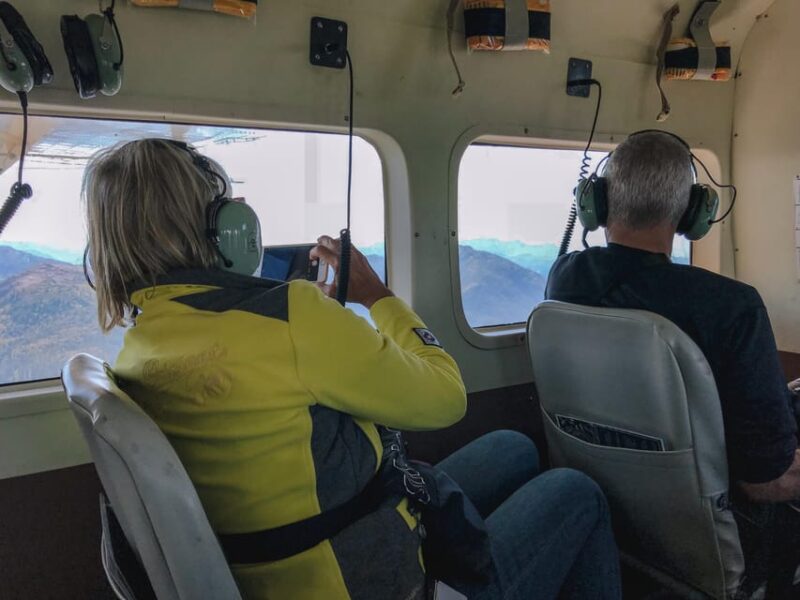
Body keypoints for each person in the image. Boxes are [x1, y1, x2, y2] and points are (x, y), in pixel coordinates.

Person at [84, 138, 621, 600]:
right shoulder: (292, 316)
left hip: (282, 564)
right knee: (577, 492)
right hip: (368, 579)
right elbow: (445, 395)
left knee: (514, 446)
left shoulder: (137, 349)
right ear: (223, 229)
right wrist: (376, 295)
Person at [546, 131, 800, 589]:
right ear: (692, 212)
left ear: (597, 204)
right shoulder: (731, 306)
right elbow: (766, 484)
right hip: (723, 537)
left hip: (617, 520)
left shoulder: (565, 279)